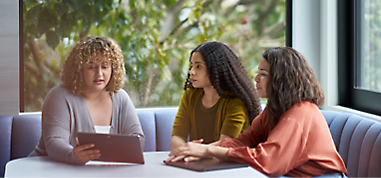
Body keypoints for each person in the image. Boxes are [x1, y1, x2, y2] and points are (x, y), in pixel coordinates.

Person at [166, 47, 348, 178]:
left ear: (281, 79)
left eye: (263, 73)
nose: (256, 79)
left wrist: (208, 151)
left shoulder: (298, 115)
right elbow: (243, 141)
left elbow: (269, 162)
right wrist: (204, 150)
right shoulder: (276, 108)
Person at [28, 36, 145, 165]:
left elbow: (138, 140)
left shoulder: (120, 98)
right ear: (78, 69)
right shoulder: (59, 96)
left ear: (113, 68)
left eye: (105, 66)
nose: (99, 73)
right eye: (91, 67)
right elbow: (54, 142)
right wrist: (73, 155)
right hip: (47, 169)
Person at [170, 41, 261, 151]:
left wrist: (194, 150)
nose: (191, 72)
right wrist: (187, 150)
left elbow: (225, 144)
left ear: (216, 69)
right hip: (195, 162)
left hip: (228, 165)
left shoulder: (236, 100)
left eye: (198, 66)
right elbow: (176, 138)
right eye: (191, 66)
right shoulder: (190, 96)